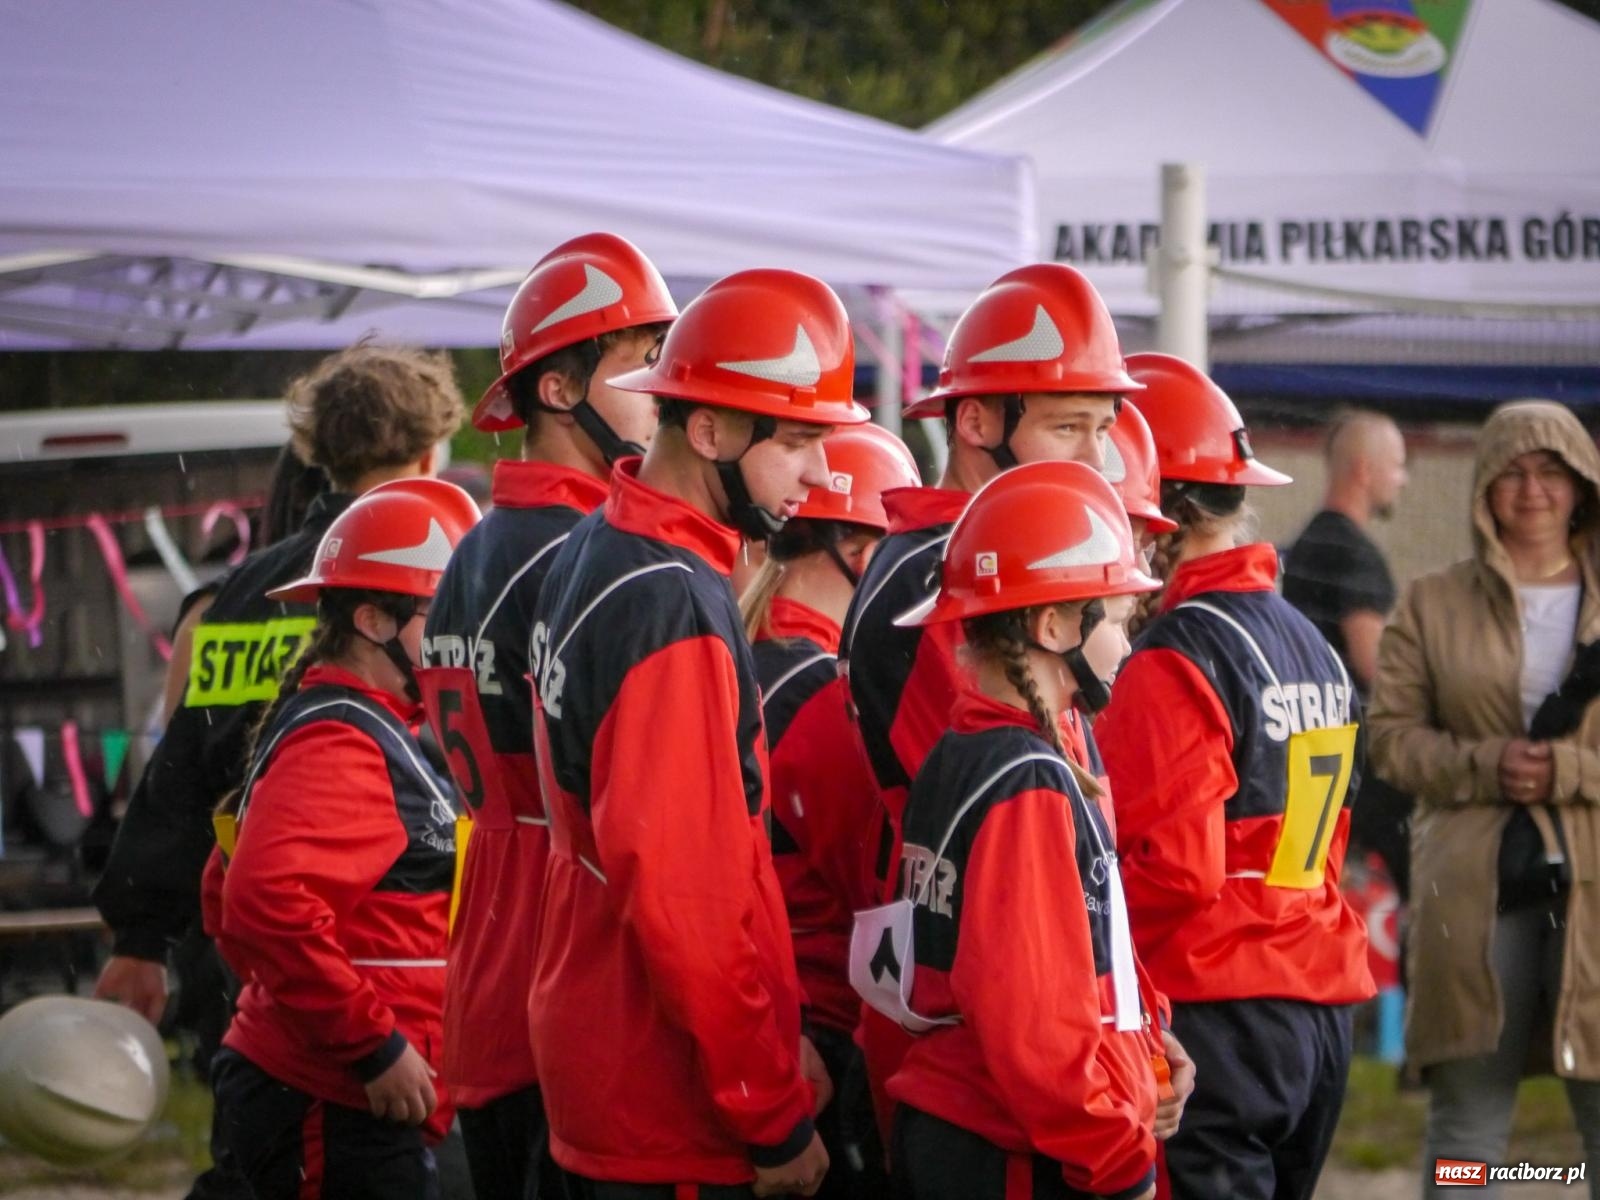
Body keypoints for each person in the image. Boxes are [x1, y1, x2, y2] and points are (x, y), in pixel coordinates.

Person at [92, 342, 463, 1200]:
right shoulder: (423, 582)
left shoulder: (235, 597)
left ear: (312, 453)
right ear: (429, 456)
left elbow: (177, 778)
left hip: (256, 973)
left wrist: (143, 936)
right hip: (338, 979)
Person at [527, 268, 869, 1199]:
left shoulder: (607, 542)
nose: (821, 474)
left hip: (610, 1052)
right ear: (709, 430)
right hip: (665, 1102)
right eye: (798, 440)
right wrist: (766, 1107)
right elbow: (689, 898)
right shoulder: (668, 597)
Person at [838, 262, 1142, 1135]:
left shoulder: (1017, 569)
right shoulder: (938, 587)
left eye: (1104, 429)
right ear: (974, 421)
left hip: (1037, 1030)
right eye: (1069, 427)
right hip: (989, 1054)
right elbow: (1023, 847)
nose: (1099, 461)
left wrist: (1138, 1018)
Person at [417, 232, 676, 1200]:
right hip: (568, 996)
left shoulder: (470, 553)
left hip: (486, 982)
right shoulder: (586, 560)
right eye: (638, 360)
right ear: (559, 391)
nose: (661, 387)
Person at [1096, 353, 1374, 1200]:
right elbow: (1325, 844)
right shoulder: (1306, 637)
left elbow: (1176, 868)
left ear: (1167, 517)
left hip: (1219, 1016)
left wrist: (1071, 932)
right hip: (1319, 1012)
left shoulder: (1176, 655)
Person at [866, 460, 1168, 1200]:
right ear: (1054, 625)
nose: (1127, 645)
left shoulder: (962, 751)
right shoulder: (1024, 779)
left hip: (972, 1134)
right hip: (1012, 1154)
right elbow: (1032, 1023)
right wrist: (1118, 1158)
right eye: (1120, 619)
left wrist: (1150, 1044)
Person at [204, 478, 481, 1200]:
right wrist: (370, 1044)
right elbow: (259, 904)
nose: (463, 633)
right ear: (373, 620)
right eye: (444, 612)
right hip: (333, 1096)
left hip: (341, 1091)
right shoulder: (341, 740)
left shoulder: (374, 724)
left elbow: (222, 894)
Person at [1368, 400, 1600, 1197]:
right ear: (1482, 489)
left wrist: (1568, 775)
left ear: (1582, 485)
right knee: (1468, 1125)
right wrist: (1488, 764)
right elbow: (1390, 738)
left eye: (1551, 471)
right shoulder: (1432, 603)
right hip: (1472, 893)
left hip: (1595, 891)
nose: (1532, 488)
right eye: (1511, 471)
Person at [740, 420, 921, 1198]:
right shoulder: (823, 700)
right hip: (817, 1044)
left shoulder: (740, 652)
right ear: (858, 548)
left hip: (760, 1034)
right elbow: (880, 898)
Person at [1282, 409, 1412, 897]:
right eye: (1397, 465)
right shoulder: (1359, 556)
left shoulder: (1301, 551)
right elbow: (1374, 663)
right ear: (1364, 469)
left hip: (1301, 758)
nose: (1402, 480)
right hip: (1353, 764)